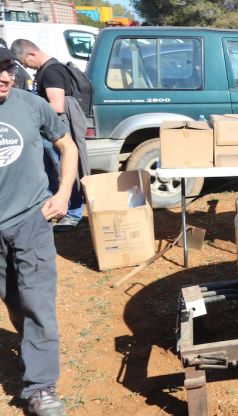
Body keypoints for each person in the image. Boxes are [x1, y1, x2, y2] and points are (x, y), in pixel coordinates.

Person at [0, 47, 77, 416]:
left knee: (38, 304)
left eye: (7, 68)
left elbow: (66, 145)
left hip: (31, 219)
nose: (5, 76)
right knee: (13, 300)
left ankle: (40, 388)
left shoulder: (30, 105)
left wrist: (63, 193)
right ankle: (30, 347)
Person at [11, 39, 89, 232]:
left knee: (63, 170)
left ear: (32, 54)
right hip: (48, 129)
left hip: (55, 129)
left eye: (25, 62)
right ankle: (60, 210)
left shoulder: (51, 71)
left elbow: (57, 105)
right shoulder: (46, 70)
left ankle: (73, 214)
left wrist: (30, 111)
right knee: (51, 171)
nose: (26, 67)